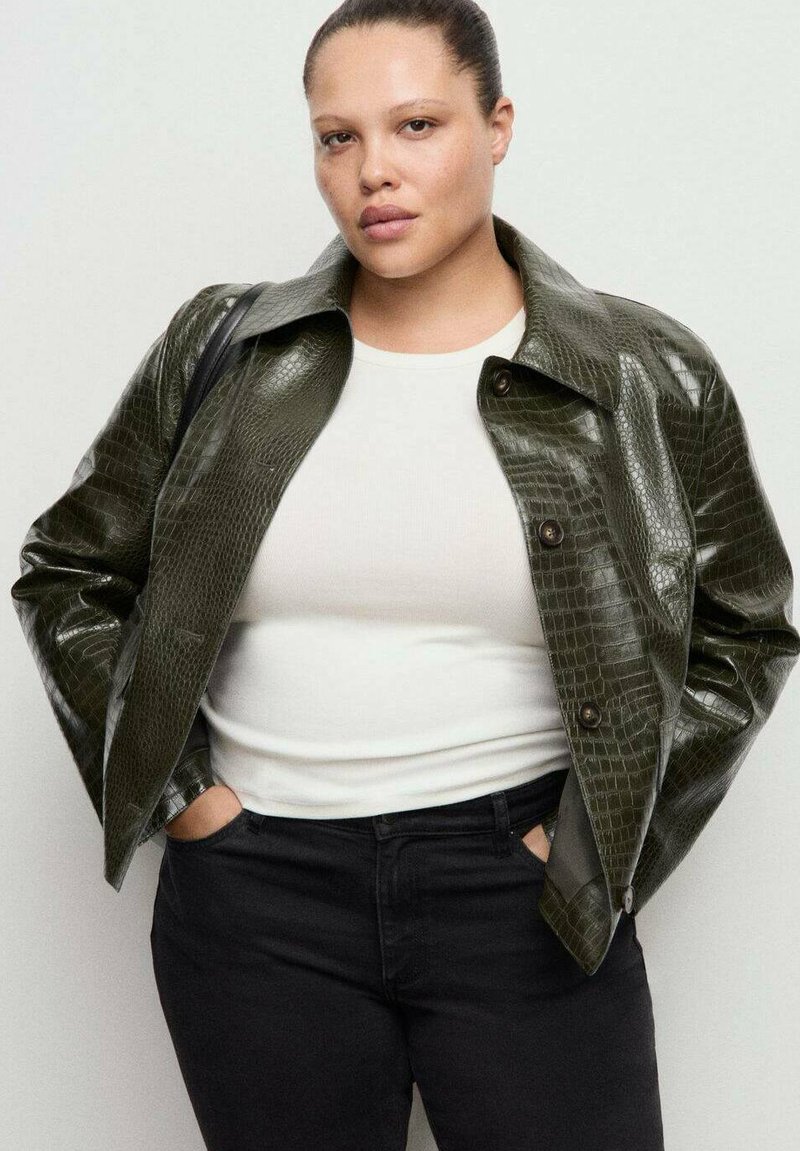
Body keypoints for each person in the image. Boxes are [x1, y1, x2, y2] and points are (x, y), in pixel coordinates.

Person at [11, 2, 799, 1149]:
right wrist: (189, 803)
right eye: (337, 137)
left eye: (416, 124)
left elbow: (744, 626)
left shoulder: (639, 369)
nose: (372, 170)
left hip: (523, 892)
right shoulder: (224, 346)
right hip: (257, 899)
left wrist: (584, 848)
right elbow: (70, 569)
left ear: (497, 125)